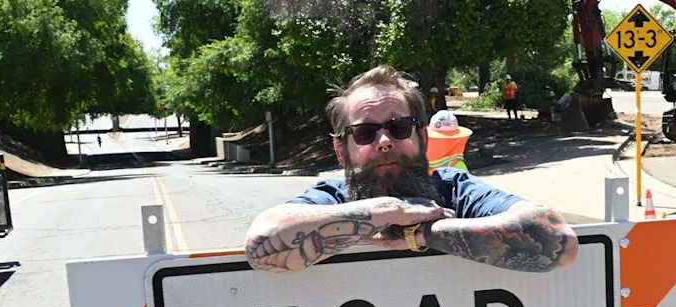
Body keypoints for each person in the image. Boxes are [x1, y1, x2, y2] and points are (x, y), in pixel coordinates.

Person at [245, 65, 578, 275]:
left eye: (400, 127)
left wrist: (419, 235)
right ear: (341, 151)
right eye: (365, 133)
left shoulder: (456, 191)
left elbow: (559, 243)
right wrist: (388, 211)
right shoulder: (330, 200)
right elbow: (261, 245)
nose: (385, 141)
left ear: (421, 137)